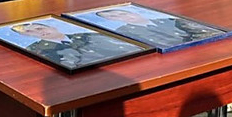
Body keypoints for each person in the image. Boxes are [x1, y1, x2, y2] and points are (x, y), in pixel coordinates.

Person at [11, 22, 140, 69]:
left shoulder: (88, 35)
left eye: (39, 28)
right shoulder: (36, 50)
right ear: (25, 36)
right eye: (29, 32)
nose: (38, 32)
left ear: (52, 26)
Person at [94, 8, 225, 50]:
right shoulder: (125, 32)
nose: (121, 17)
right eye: (113, 17)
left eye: (121, 13)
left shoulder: (169, 19)